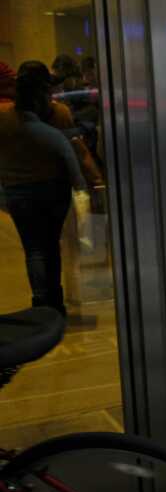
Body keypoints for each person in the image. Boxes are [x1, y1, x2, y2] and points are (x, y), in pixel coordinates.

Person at [0, 61, 88, 315]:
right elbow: (72, 151)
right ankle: (56, 300)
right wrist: (82, 184)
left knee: (33, 249)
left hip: (18, 190)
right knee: (51, 245)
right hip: (53, 188)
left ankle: (40, 302)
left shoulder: (5, 117)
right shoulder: (58, 113)